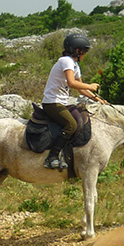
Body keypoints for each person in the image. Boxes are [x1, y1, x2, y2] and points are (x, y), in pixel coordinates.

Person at [41, 32, 103, 170]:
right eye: (84, 51)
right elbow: (72, 83)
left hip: (62, 102)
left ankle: (67, 154)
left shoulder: (75, 65)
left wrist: (97, 99)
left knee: (80, 119)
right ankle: (52, 156)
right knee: (71, 125)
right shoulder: (66, 61)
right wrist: (90, 86)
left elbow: (81, 90)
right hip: (52, 102)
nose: (85, 55)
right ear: (77, 51)